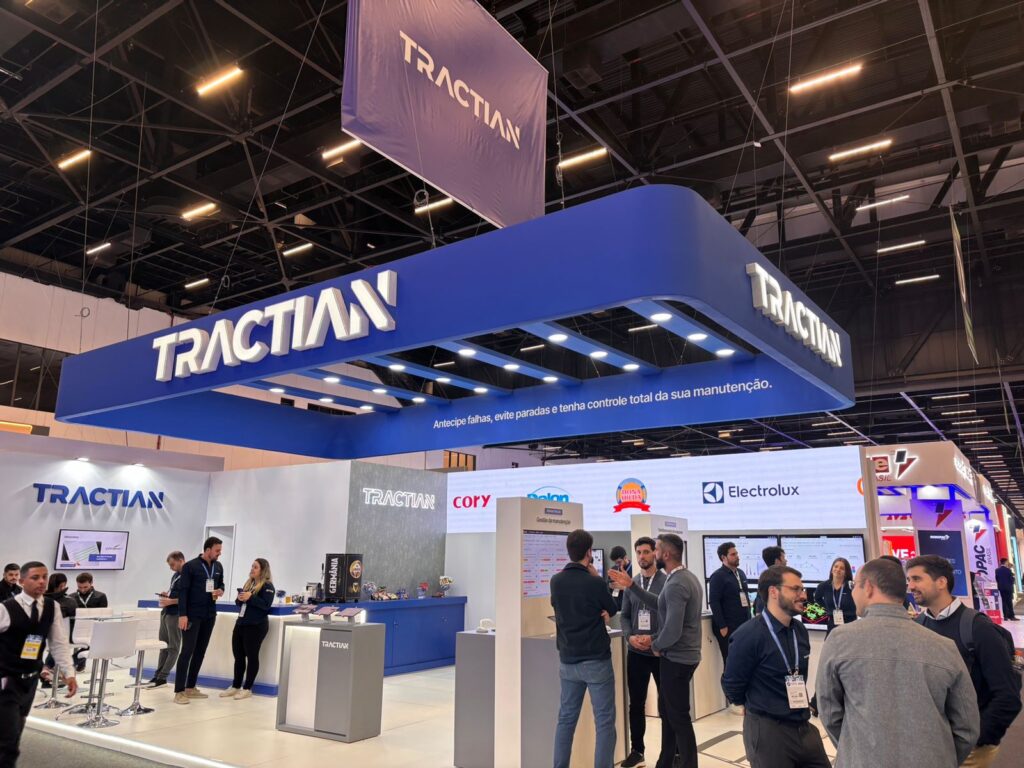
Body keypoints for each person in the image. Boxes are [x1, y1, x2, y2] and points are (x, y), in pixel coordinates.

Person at [815, 558, 979, 768]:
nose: (853, 592)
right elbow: (967, 727)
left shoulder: (840, 641)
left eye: (855, 585)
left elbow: (829, 713)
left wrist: (857, 751)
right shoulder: (944, 646)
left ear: (868, 587)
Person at [907, 555, 1022, 768]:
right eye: (909, 580)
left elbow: (1007, 695)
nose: (910, 586)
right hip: (932, 744)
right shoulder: (919, 626)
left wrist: (976, 739)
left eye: (917, 579)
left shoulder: (977, 628)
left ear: (941, 582)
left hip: (969, 749)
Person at [723, 565, 828, 768]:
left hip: (803, 727)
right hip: (768, 732)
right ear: (773, 592)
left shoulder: (799, 630)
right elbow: (732, 686)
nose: (803, 595)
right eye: (795, 589)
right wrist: (756, 706)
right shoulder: (748, 635)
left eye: (802, 589)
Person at [549, 529, 619, 768]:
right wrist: (597, 578)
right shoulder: (594, 582)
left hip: (568, 660)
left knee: (566, 720)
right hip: (596, 660)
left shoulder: (556, 581)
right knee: (604, 722)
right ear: (589, 553)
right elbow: (612, 607)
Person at [0, 561, 78, 767]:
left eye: (44, 577)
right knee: (8, 741)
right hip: (6, 681)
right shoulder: (5, 609)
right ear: (22, 581)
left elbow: (58, 643)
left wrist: (69, 673)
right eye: (35, 577)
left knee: (16, 731)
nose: (41, 582)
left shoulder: (52, 607)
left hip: (30, 681)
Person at [616, 537, 668, 768]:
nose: (642, 556)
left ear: (655, 554)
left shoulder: (666, 582)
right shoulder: (632, 583)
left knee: (667, 705)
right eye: (638, 552)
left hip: (660, 652)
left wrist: (653, 639)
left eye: (646, 552)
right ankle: (637, 751)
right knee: (636, 704)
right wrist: (629, 636)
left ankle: (673, 751)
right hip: (636, 652)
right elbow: (625, 616)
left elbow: (670, 618)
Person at [174, 537, 225, 706]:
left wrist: (220, 590)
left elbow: (221, 584)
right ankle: (179, 691)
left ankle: (190, 687)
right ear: (208, 549)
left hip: (209, 615)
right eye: (217, 550)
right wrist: (182, 615)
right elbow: (183, 592)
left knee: (200, 651)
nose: (219, 553)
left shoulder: (218, 566)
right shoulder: (190, 567)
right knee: (187, 651)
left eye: (220, 550)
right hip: (192, 615)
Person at [220, 558, 275, 700]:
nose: (252, 569)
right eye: (252, 566)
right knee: (238, 656)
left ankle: (247, 688)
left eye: (255, 567)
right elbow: (240, 604)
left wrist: (250, 597)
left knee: (252, 656)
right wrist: (240, 598)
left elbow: (265, 605)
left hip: (256, 625)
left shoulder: (267, 586)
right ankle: (235, 685)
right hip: (241, 623)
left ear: (263, 570)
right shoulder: (249, 584)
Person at [707, 541, 750, 713]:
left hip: (743, 626)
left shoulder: (740, 573)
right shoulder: (718, 576)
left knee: (744, 662)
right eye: (733, 554)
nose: (737, 556)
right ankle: (732, 700)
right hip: (727, 628)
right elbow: (714, 602)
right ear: (723, 557)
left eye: (736, 553)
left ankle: (743, 696)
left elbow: (745, 599)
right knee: (730, 663)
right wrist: (722, 625)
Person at [148, 551, 185, 689]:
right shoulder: (176, 575)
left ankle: (163, 677)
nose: (171, 568)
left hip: (176, 614)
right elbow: (175, 593)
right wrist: (167, 595)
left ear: (181, 560)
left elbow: (189, 599)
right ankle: (157, 675)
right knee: (163, 646)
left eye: (173, 564)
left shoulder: (188, 575)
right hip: (166, 612)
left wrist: (171, 601)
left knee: (173, 647)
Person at [40, 574, 76, 688]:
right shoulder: (70, 601)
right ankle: (51, 670)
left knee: (57, 642)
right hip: (61, 636)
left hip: (41, 635)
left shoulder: (41, 598)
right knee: (60, 641)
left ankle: (47, 670)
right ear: (63, 585)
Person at [71, 572, 108, 671]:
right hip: (76, 630)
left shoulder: (100, 596)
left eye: (85, 587)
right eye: (80, 587)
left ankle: (70, 662)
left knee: (95, 643)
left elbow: (103, 616)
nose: (82, 590)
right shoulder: (72, 597)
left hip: (94, 630)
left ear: (91, 583)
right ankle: (74, 663)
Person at [813, 557, 856, 635]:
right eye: (836, 566)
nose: (838, 569)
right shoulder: (823, 586)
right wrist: (828, 608)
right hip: (832, 624)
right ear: (832, 569)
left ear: (846, 572)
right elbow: (817, 598)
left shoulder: (851, 585)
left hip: (850, 624)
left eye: (842, 568)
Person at [752, 546, 786, 615]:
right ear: (777, 561)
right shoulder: (768, 580)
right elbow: (759, 610)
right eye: (783, 558)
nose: (786, 561)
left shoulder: (764, 578)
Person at [608, 545, 632, 612]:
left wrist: (623, 587)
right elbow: (608, 590)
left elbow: (637, 590)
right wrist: (609, 585)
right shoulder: (613, 569)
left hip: (629, 608)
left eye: (619, 562)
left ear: (625, 557)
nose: (617, 565)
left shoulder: (634, 569)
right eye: (615, 563)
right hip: (616, 608)